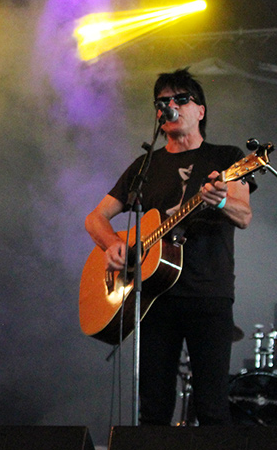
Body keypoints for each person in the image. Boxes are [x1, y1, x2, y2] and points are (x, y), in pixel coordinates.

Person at [84, 68, 254, 425]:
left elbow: (243, 215)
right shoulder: (145, 166)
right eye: (162, 102)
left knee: (211, 406)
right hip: (154, 298)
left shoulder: (227, 158)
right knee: (153, 409)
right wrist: (112, 244)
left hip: (208, 293)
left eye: (180, 99)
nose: (170, 105)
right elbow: (95, 218)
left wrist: (221, 201)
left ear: (200, 110)